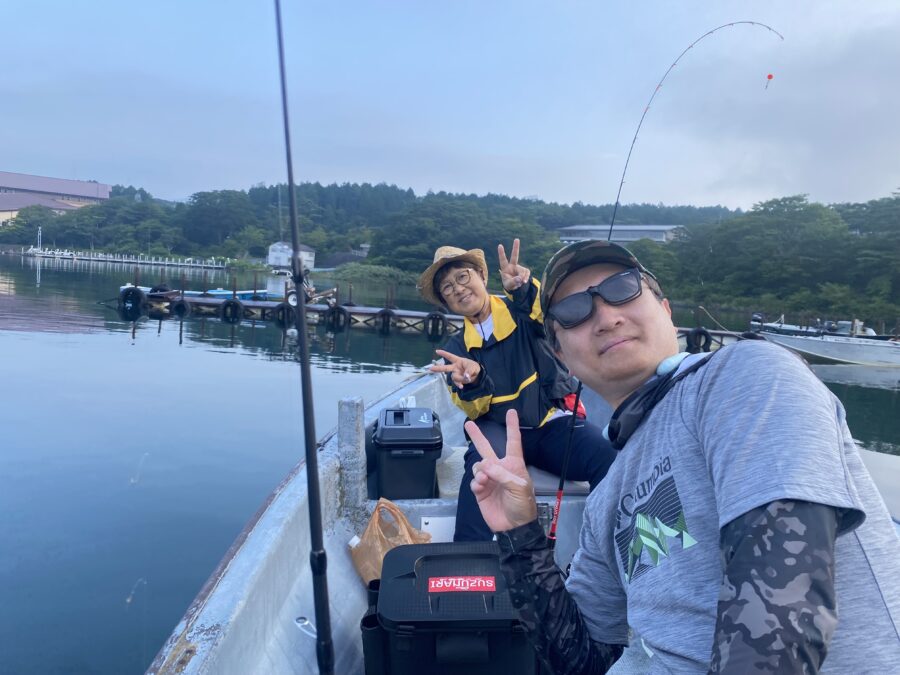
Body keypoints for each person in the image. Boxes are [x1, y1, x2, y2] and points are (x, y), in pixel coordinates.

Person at [465, 240, 900, 673]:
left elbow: (781, 612)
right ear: (559, 354)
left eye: (622, 289)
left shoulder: (744, 375)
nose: (606, 316)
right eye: (574, 311)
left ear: (666, 311)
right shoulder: (607, 499)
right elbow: (581, 659)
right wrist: (520, 535)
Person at [418, 239, 616, 541]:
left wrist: (523, 288)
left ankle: (608, 545)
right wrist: (473, 381)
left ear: (482, 277)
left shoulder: (523, 313)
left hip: (550, 423)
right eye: (447, 288)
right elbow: (472, 411)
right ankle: (471, 566)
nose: (457, 288)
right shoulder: (455, 352)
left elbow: (548, 315)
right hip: (498, 432)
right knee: (482, 469)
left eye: (462, 277)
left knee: (608, 457)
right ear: (446, 304)